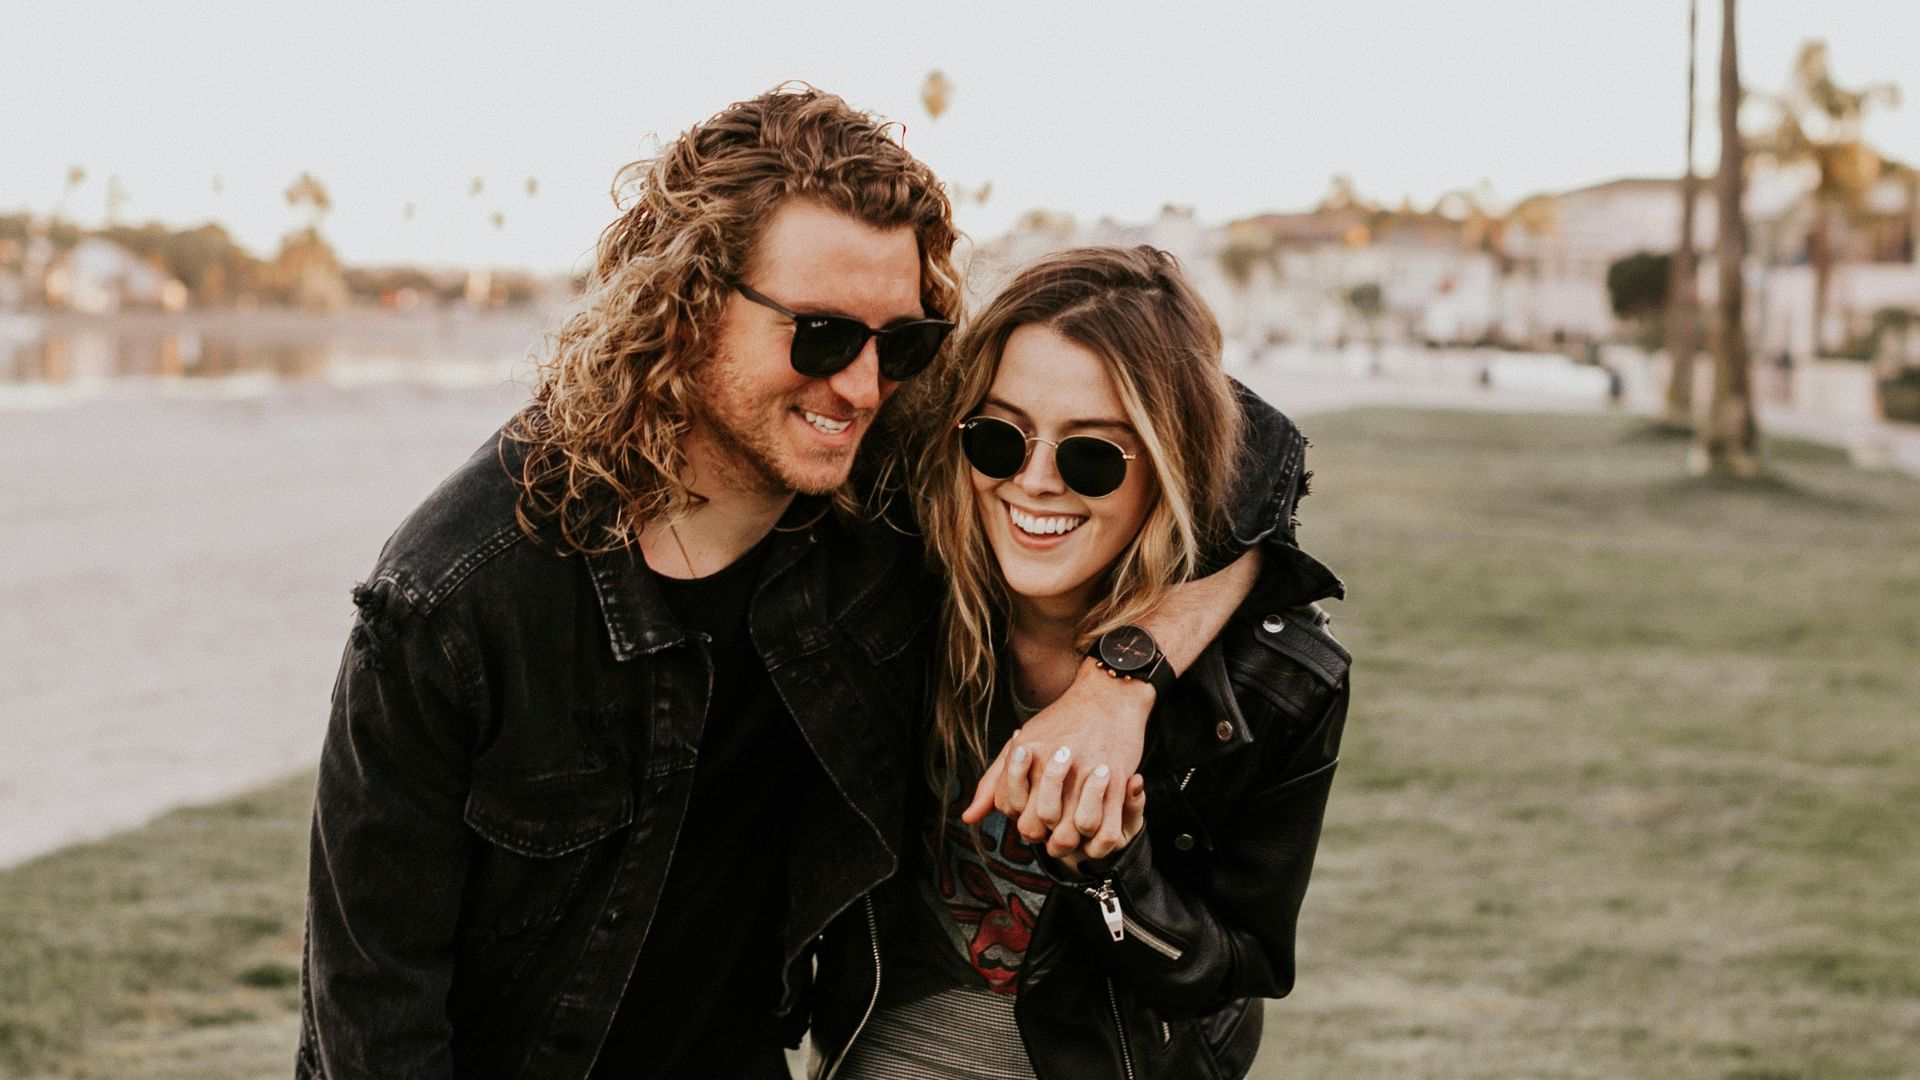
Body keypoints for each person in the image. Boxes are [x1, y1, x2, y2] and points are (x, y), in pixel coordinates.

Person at [298, 88, 1292, 1080]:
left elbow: (1255, 468)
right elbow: (373, 1016)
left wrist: (1121, 685)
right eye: (819, 335)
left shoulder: (874, 492)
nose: (861, 386)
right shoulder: (454, 601)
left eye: (899, 343)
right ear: (684, 305)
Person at [813, 246, 1352, 1080]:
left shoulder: (1277, 681)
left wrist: (1110, 870)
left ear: (1169, 465)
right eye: (1000, 437)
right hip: (889, 1031)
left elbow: (1240, 968)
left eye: (1090, 455)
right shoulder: (903, 580)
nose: (1032, 483)